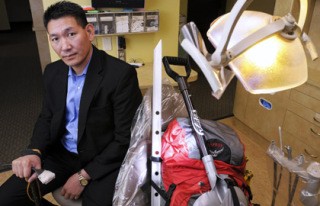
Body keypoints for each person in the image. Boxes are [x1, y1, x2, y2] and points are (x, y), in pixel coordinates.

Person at [0, 1, 142, 205]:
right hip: (62, 155)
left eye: (71, 34)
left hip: (100, 158)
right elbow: (47, 117)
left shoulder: (120, 75)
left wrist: (84, 176)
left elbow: (124, 139)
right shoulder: (52, 72)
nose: (64, 46)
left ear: (90, 32)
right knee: (6, 199)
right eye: (55, 38)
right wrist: (34, 151)